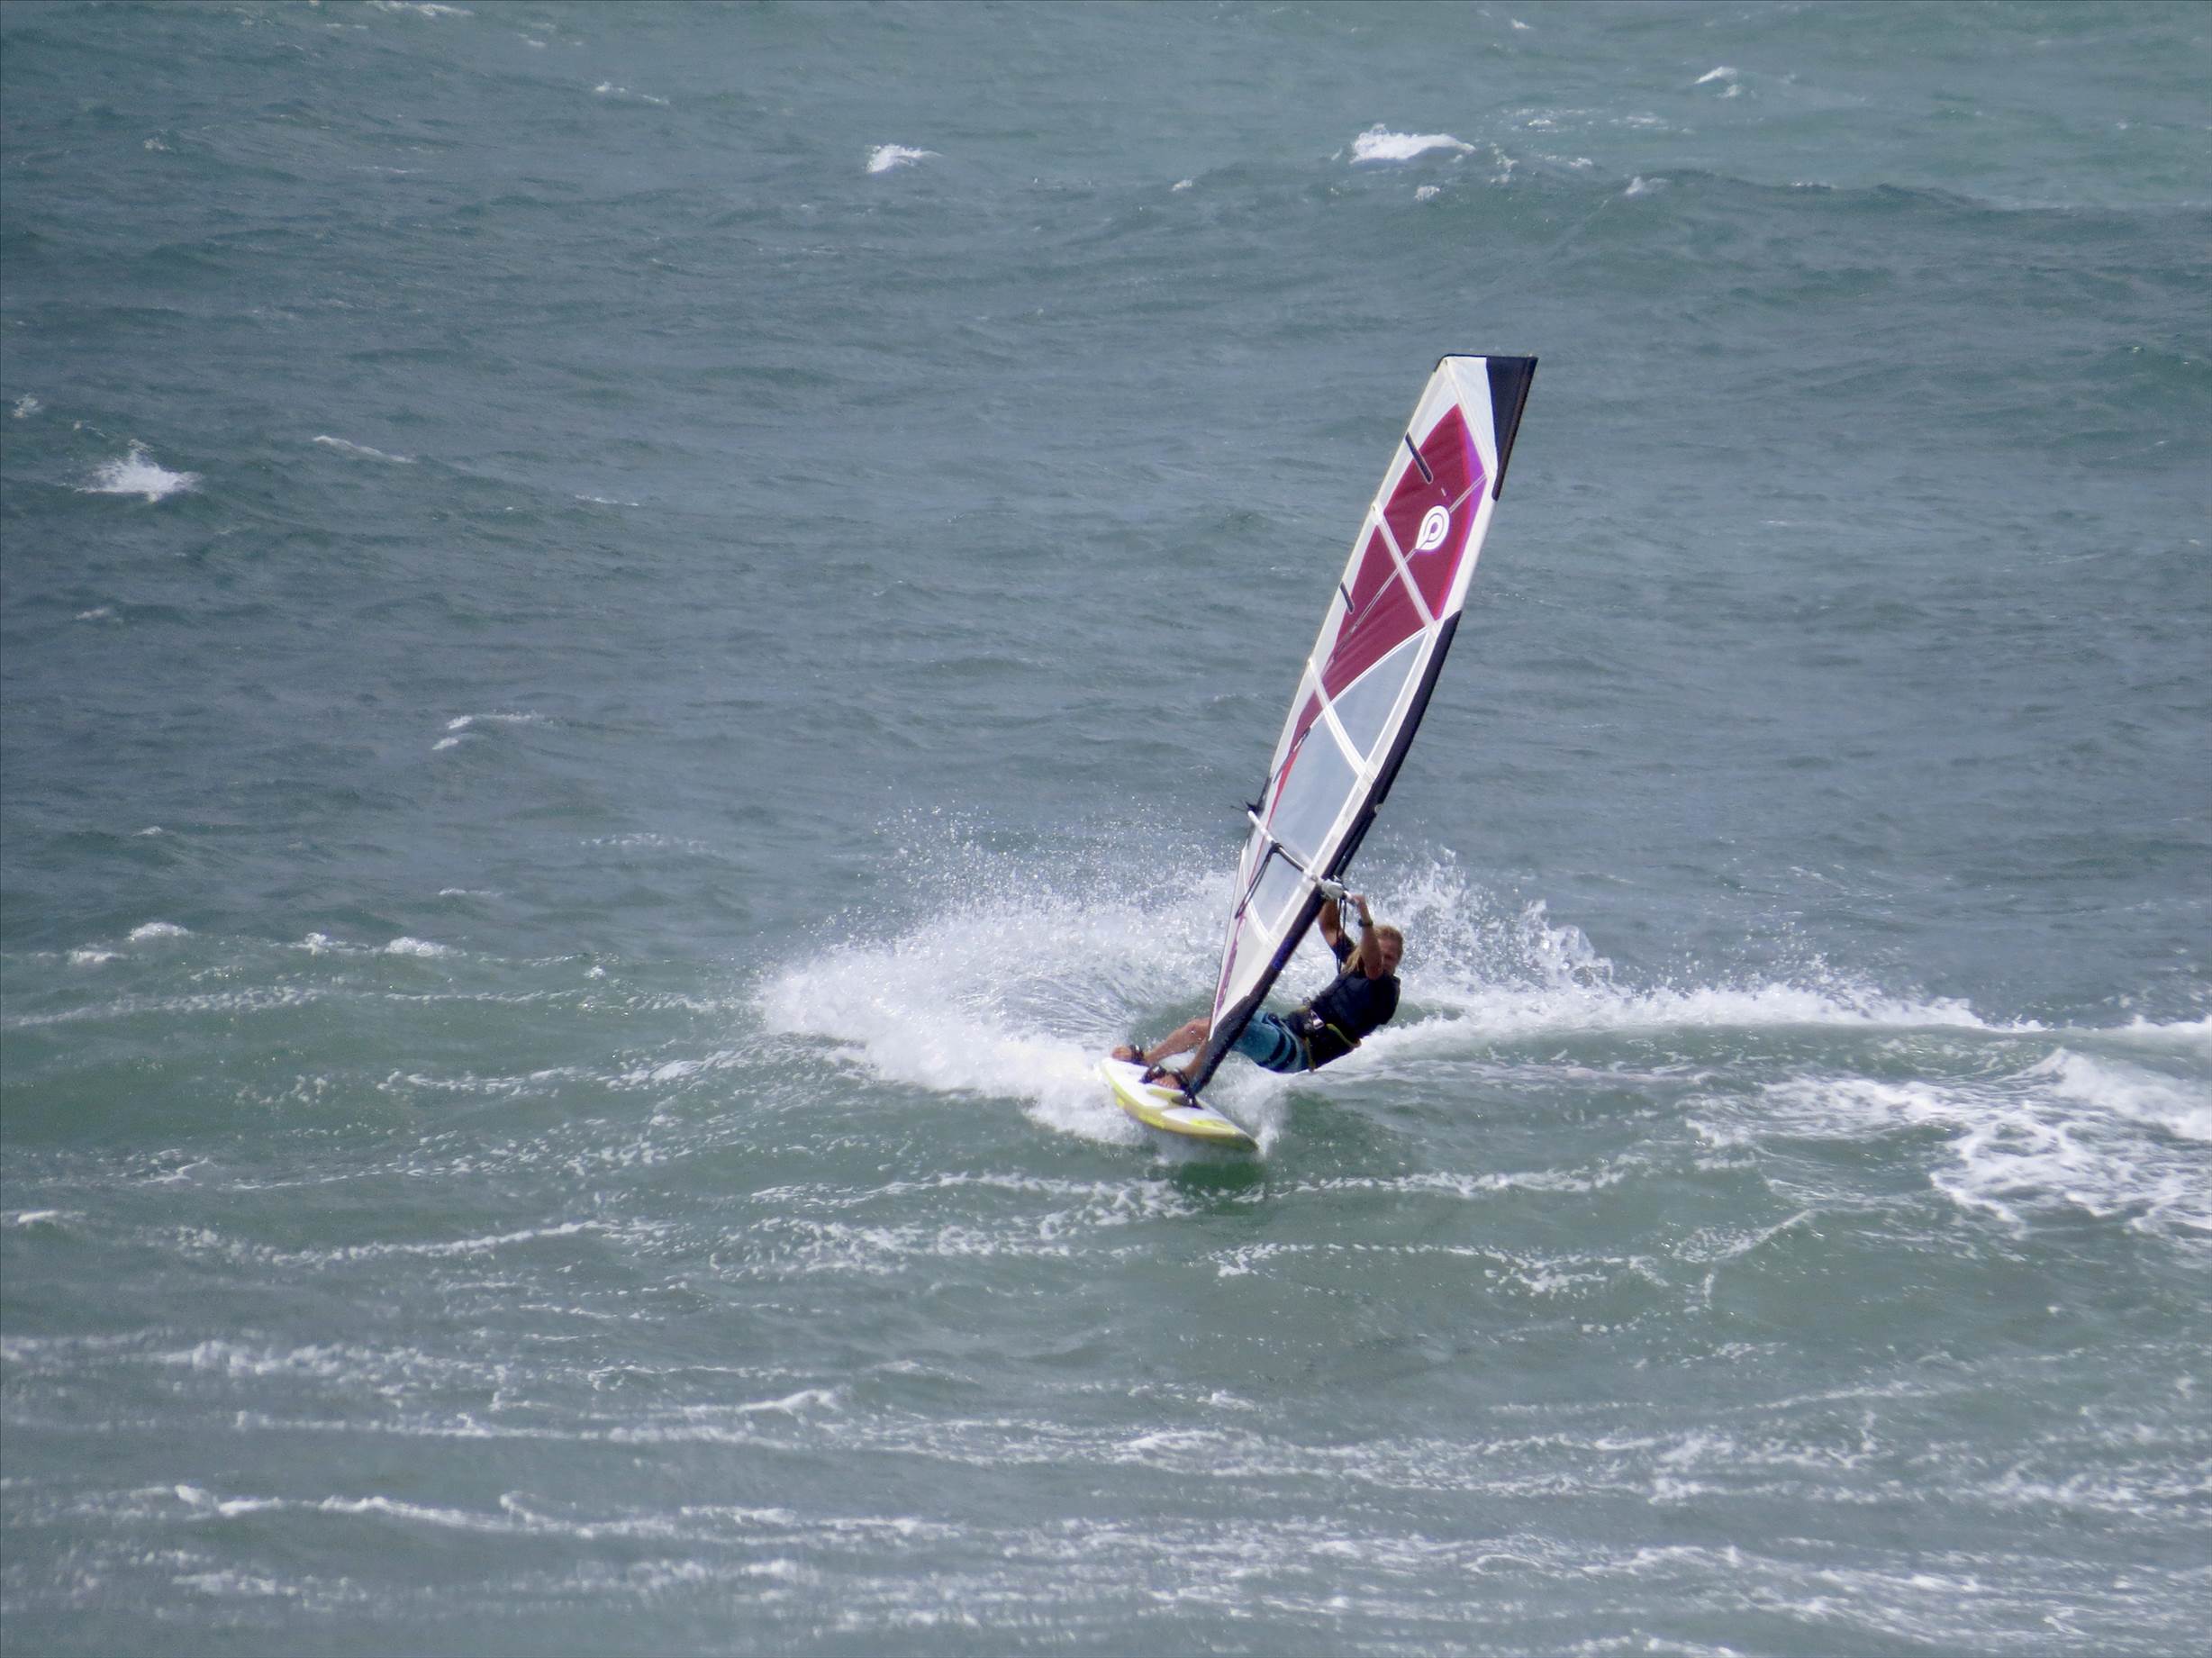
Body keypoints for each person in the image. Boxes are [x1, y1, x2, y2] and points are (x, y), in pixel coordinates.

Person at [1111, 892, 1402, 1088]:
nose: (1386, 960)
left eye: (1393, 957)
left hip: (1298, 1052)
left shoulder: (1386, 991)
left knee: (1228, 1027)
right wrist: (1329, 891)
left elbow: (1376, 967)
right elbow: (1328, 925)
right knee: (1206, 1024)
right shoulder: (1356, 961)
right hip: (1284, 1027)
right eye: (1382, 952)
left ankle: (1188, 1078)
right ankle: (1148, 1059)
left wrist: (1364, 917)